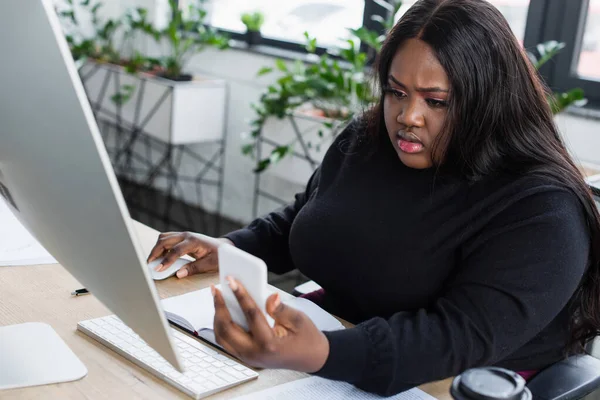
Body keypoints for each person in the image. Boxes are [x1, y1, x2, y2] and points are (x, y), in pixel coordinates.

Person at [147, 0, 600, 396]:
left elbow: (453, 339)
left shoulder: (543, 210)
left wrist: (323, 352)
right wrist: (233, 247)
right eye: (395, 92)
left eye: (436, 101)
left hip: (454, 381)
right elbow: (311, 216)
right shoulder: (369, 140)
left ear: (489, 100)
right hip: (341, 348)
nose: (408, 116)